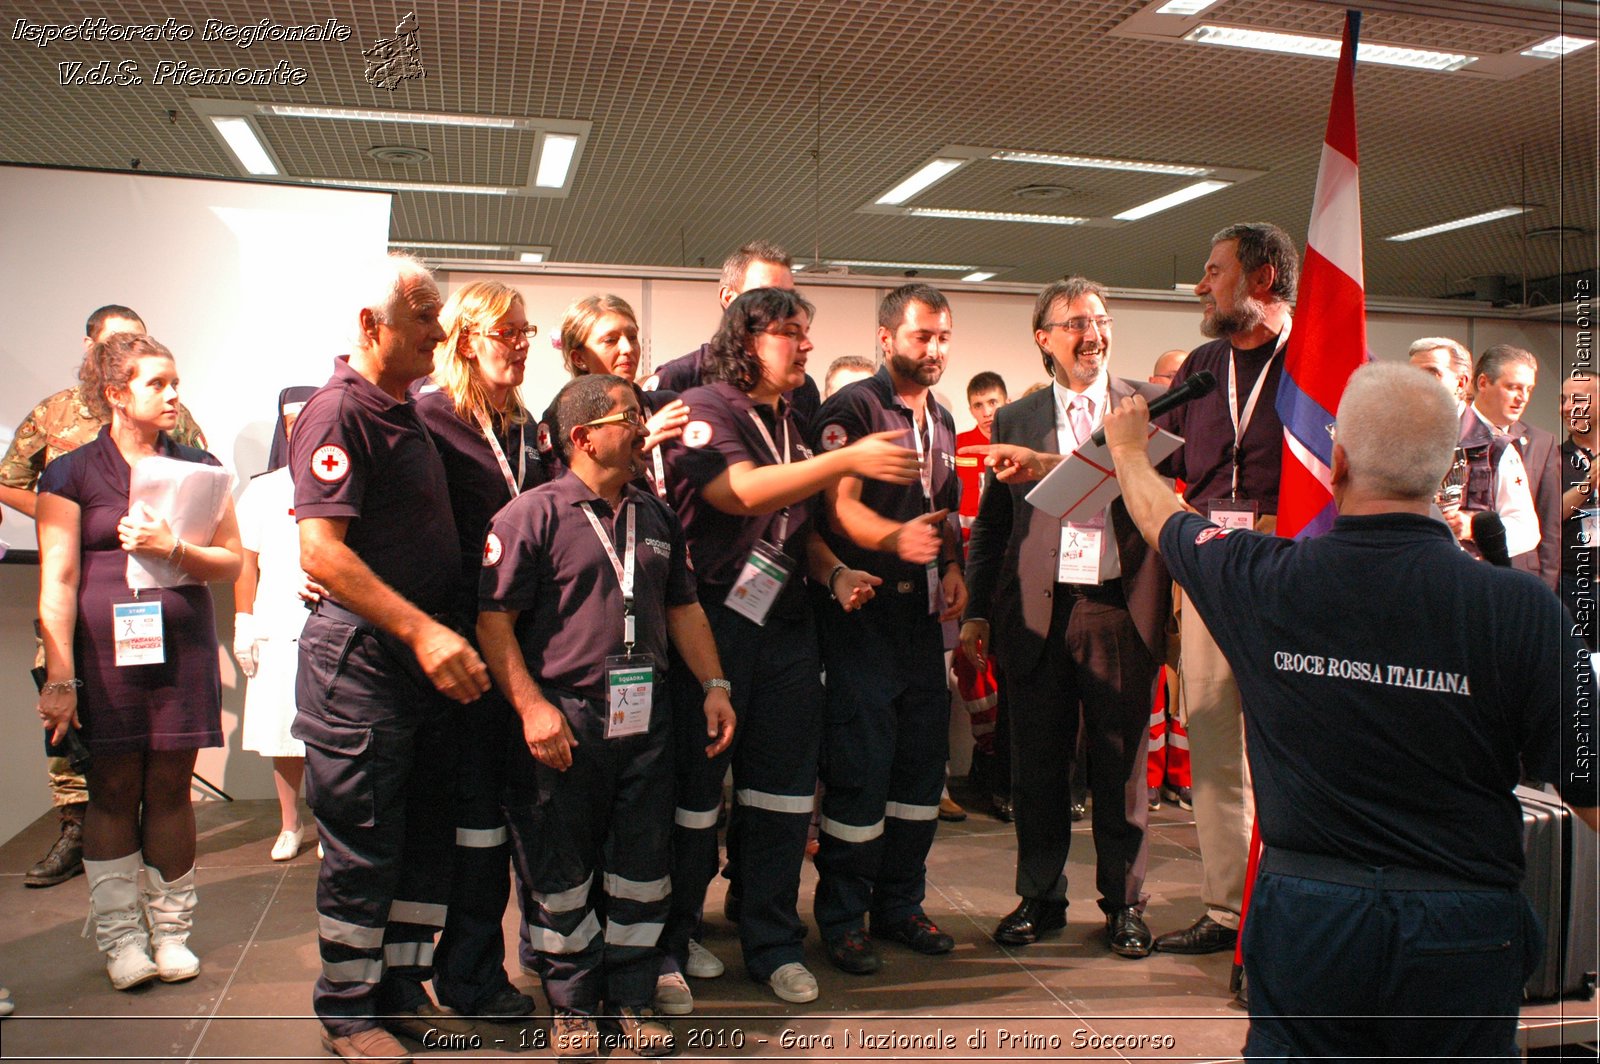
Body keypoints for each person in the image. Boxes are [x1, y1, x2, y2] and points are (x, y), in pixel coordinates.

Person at [1099, 361, 1599, 1060]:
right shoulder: (1523, 611)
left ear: (1335, 464)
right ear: (1441, 472)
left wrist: (1126, 450)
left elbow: (1166, 522)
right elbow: (1592, 790)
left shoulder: (1263, 579)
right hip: (1464, 924)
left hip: (1309, 914)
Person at [658, 288, 913, 1009]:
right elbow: (740, 493)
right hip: (714, 621)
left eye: (808, 335)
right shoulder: (708, 407)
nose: (805, 347)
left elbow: (795, 526)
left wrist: (833, 571)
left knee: (782, 791)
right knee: (698, 793)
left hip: (787, 623)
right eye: (791, 334)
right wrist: (844, 463)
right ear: (747, 337)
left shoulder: (795, 416)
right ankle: (671, 944)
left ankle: (771, 942)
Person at [478, 374, 736, 1059]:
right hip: (564, 720)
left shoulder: (654, 516)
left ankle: (630, 995)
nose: (642, 424)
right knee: (561, 872)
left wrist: (713, 683)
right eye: (630, 415)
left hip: (645, 721)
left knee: (642, 866)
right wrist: (532, 709)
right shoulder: (529, 516)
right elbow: (495, 624)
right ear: (583, 436)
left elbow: (683, 608)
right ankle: (571, 1004)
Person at [290, 254, 491, 1064]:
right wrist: (424, 630)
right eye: (422, 319)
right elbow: (321, 553)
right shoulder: (338, 413)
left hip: (417, 670)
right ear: (373, 326)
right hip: (364, 666)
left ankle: (402, 991)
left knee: (422, 835)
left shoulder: (403, 408)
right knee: (366, 841)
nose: (439, 333)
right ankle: (347, 1010)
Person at [961, 278, 1167, 957]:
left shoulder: (1147, 407)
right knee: (1038, 768)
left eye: (1102, 319)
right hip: (1037, 613)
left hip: (1117, 607)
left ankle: (1126, 904)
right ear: (1044, 339)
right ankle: (1040, 897)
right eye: (1075, 322)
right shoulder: (1016, 420)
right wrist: (977, 614)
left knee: (1120, 766)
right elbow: (993, 525)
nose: (1093, 333)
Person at [36, 332, 242, 990]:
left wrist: (173, 545)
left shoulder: (199, 465)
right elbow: (57, 582)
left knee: (172, 791)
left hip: (179, 653)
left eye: (175, 380)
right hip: (104, 658)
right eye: (157, 383)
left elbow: (231, 560)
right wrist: (61, 678)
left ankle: (172, 932)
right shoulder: (69, 472)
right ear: (115, 394)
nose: (174, 393)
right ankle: (122, 939)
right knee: (113, 791)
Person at [1, 305, 207, 890]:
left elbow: (200, 498)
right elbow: (11, 479)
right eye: (115, 343)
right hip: (85, 610)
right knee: (84, 752)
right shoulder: (55, 419)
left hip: (162, 611)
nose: (168, 392)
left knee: (165, 781)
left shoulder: (177, 425)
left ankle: (164, 912)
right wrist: (58, 516)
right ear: (94, 353)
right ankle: (74, 830)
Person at [809, 283, 966, 976]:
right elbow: (836, 510)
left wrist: (954, 564)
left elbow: (950, 510)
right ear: (886, 338)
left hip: (923, 624)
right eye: (920, 337)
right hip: (864, 617)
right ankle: (843, 918)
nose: (933, 350)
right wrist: (892, 537)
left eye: (941, 337)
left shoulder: (947, 419)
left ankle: (901, 905)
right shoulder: (851, 409)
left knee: (917, 775)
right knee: (861, 772)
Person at [1150, 223, 1297, 960]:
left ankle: (1295, 900)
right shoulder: (1203, 365)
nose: (1202, 286)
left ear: (1262, 277)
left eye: (1215, 271)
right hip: (1210, 571)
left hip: (1294, 573)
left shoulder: (1319, 359)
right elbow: (1139, 452)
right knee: (1211, 741)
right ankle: (1225, 908)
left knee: (1294, 741)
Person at [414, 280, 548, 1021]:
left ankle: (532, 955)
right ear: (467, 340)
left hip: (529, 640)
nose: (522, 345)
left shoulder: (529, 424)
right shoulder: (433, 418)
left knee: (520, 813)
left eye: (528, 333)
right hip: (465, 645)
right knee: (473, 821)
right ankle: (467, 976)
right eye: (508, 334)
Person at [233, 388, 316, 861]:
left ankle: (330, 823)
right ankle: (290, 824)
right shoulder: (264, 489)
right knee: (281, 731)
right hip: (275, 619)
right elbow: (246, 561)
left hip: (330, 622)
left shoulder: (342, 479)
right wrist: (243, 620)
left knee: (329, 734)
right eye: (290, 424)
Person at [645, 240, 821, 428]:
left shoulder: (802, 388)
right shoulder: (680, 377)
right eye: (766, 294)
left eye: (789, 296)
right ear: (728, 298)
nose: (784, 307)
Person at [535, 295, 688, 493]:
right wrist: (638, 444)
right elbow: (567, 494)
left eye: (632, 337)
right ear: (579, 358)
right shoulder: (558, 421)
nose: (627, 348)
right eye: (610, 340)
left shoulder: (667, 406)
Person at [1408, 337, 1538, 560]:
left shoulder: (1495, 448)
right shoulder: (1397, 438)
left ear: (1461, 383)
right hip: (1410, 570)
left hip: (1467, 577)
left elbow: (1526, 530)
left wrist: (1472, 528)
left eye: (1432, 373)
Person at [952, 371, 1011, 821]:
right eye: (979, 405)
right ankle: (985, 760)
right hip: (969, 581)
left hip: (1012, 583)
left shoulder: (1022, 439)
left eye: (994, 403)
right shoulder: (959, 447)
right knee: (971, 670)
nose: (987, 413)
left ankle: (1000, 769)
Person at [1145, 350, 1191, 814]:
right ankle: (1152, 774)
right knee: (1156, 685)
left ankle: (1183, 773)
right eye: (1168, 379)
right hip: (1154, 577)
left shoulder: (1203, 436)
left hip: (1196, 572)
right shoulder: (1145, 438)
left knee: (1191, 688)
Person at [1475, 345, 1560, 587]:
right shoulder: (1451, 432)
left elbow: (1550, 525)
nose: (1522, 397)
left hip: (1522, 576)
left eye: (1528, 389)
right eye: (1512, 387)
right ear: (1483, 383)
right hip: (1466, 571)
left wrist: (1546, 590)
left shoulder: (1542, 442)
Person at [1559, 371, 1598, 647]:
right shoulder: (1551, 457)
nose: (1567, 407)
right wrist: (1588, 485)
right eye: (1563, 400)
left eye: (1578, 399)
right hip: (1571, 584)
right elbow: (1545, 516)